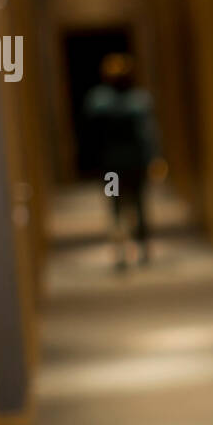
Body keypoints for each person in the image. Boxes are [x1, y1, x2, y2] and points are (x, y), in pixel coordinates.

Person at [82, 52, 162, 271]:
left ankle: (133, 249)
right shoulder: (134, 101)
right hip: (120, 165)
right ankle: (128, 250)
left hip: (120, 165)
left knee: (128, 206)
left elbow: (147, 135)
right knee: (127, 206)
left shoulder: (101, 101)